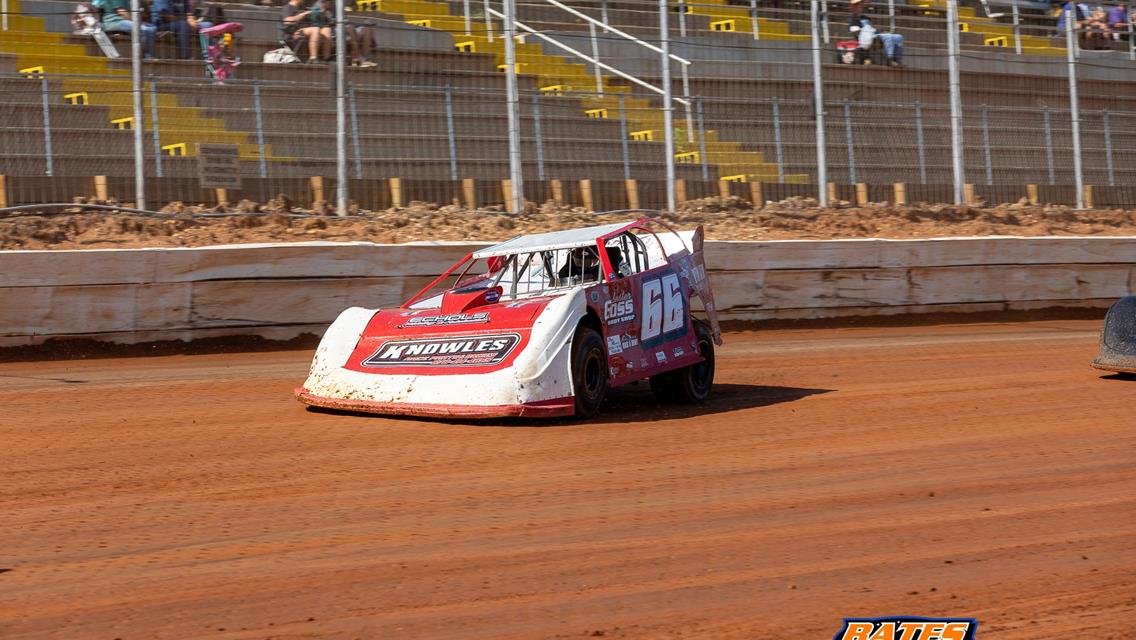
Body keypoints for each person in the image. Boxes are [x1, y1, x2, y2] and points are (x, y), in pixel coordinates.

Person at [91, 0, 156, 58]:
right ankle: (146, 58)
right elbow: (123, 13)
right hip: (114, 22)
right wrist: (137, 22)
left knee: (152, 29)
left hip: (125, 20)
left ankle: (149, 56)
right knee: (144, 30)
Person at [849, 0, 903, 67]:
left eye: (861, 4)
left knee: (898, 37)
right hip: (865, 38)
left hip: (873, 34)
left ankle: (897, 59)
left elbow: (872, 29)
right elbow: (855, 31)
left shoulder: (865, 17)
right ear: (854, 6)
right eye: (859, 4)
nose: (861, 5)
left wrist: (878, 31)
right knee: (889, 37)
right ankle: (890, 60)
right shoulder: (854, 18)